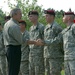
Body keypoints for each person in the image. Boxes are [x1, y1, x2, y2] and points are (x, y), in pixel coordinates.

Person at [36, 9, 63, 75]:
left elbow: (59, 40)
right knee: (47, 72)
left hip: (55, 56)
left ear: (52, 17)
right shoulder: (46, 27)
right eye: (45, 16)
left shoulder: (57, 27)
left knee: (54, 73)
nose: (45, 17)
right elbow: (45, 39)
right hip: (47, 55)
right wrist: (41, 41)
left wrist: (45, 42)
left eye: (47, 16)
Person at [3, 8, 22, 75]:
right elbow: (21, 40)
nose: (21, 15)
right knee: (14, 71)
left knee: (11, 70)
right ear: (14, 15)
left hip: (9, 49)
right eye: (20, 14)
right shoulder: (14, 26)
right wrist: (34, 42)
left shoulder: (6, 24)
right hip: (14, 50)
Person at [28, 10, 45, 75]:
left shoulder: (41, 27)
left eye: (31, 16)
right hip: (31, 54)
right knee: (31, 72)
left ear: (36, 17)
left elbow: (44, 41)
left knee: (39, 72)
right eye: (29, 16)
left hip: (39, 55)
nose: (29, 18)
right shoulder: (31, 28)